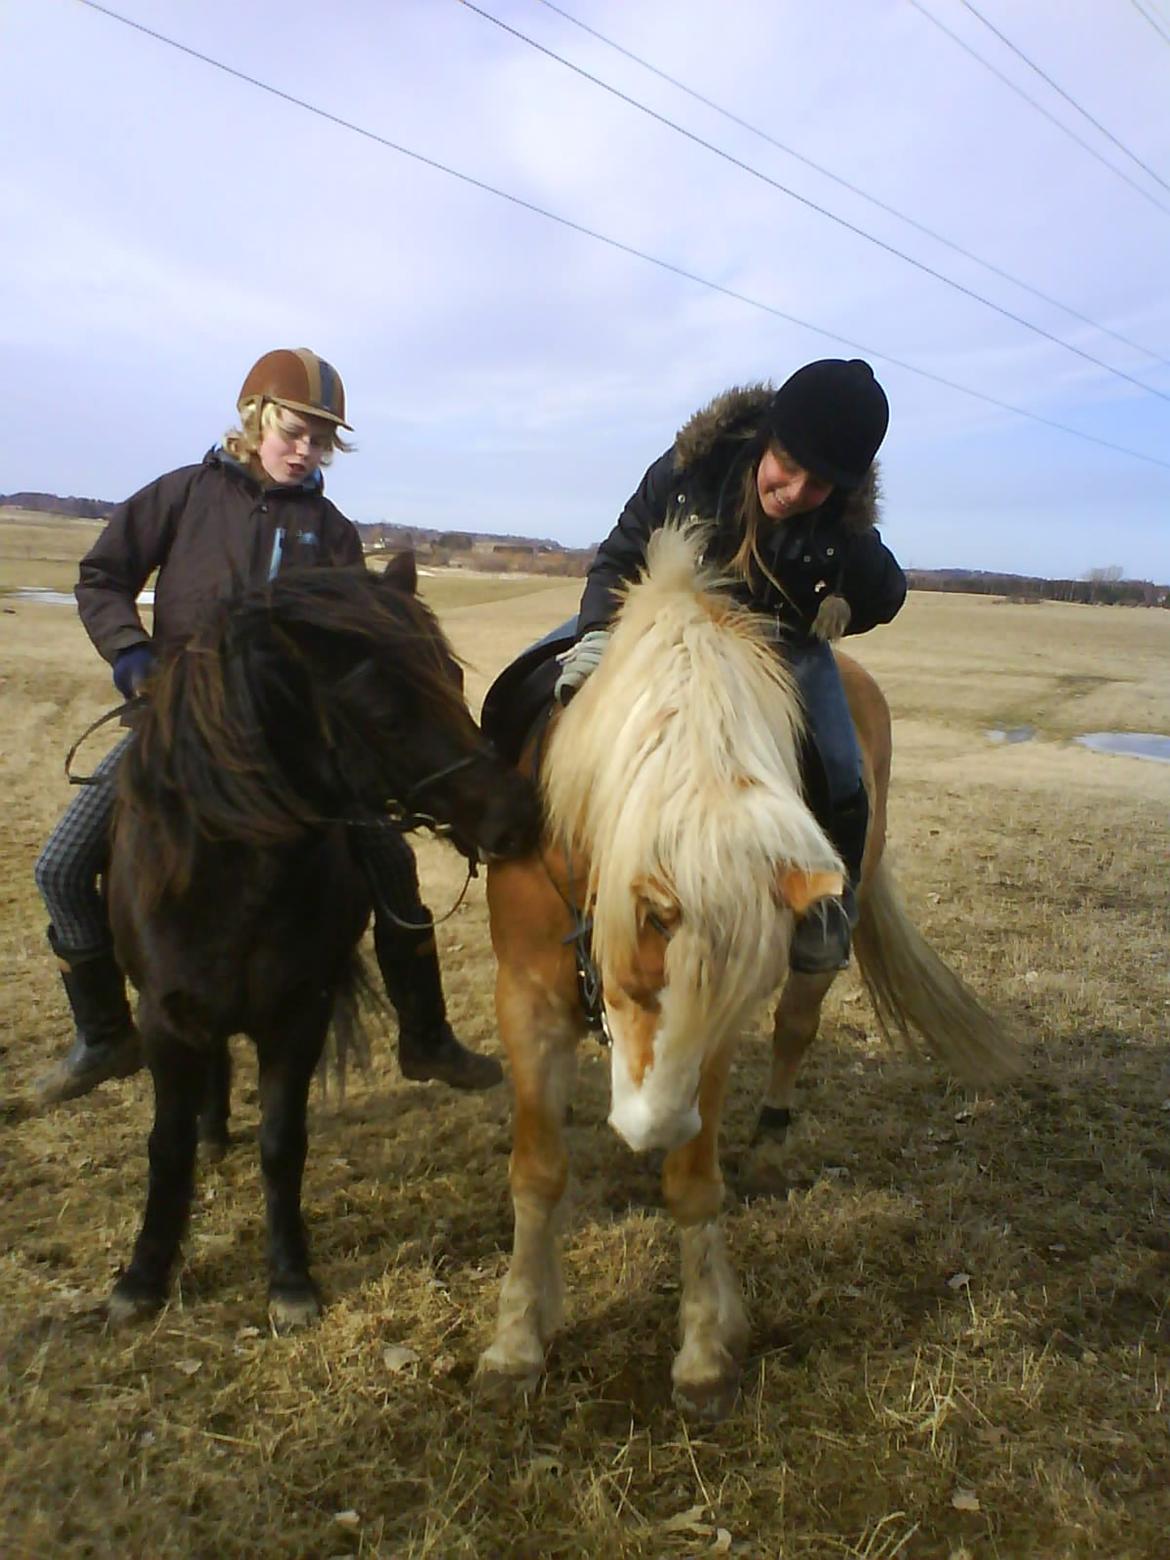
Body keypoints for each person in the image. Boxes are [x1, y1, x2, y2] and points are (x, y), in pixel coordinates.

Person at [34, 347, 501, 1104]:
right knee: (59, 867)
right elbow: (102, 576)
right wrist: (131, 656)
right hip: (182, 728)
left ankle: (426, 1035)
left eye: (322, 441)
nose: (306, 451)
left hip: (302, 754)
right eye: (295, 431)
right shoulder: (183, 496)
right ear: (255, 417)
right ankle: (103, 1035)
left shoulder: (333, 533)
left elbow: (364, 643)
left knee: (393, 869)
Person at [554, 358, 906, 974]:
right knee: (556, 698)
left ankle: (825, 905)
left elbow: (890, 591)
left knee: (844, 766)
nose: (795, 493)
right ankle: (574, 885)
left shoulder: (842, 530)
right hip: (673, 632)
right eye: (789, 467)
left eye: (819, 485)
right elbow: (623, 548)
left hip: (779, 648)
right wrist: (595, 635)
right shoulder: (691, 467)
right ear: (767, 438)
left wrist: (844, 603)